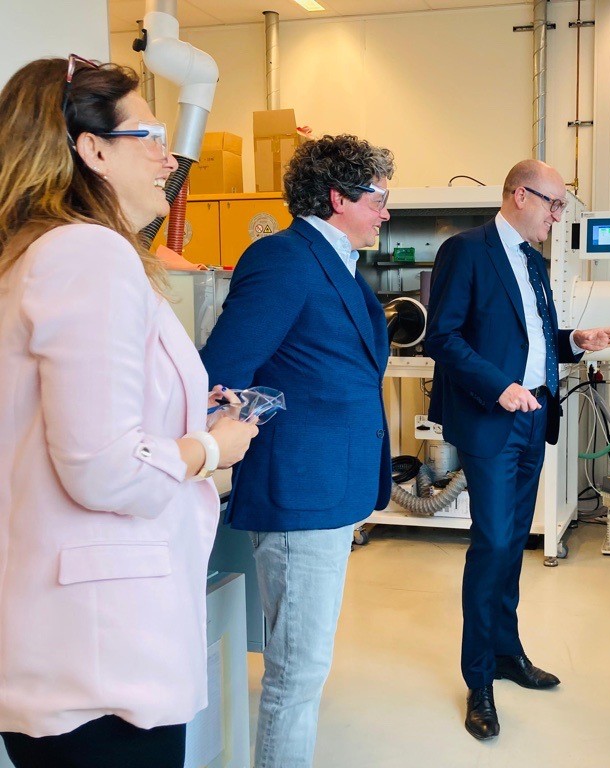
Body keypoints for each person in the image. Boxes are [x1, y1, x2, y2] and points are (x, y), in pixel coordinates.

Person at [0, 57, 257, 768]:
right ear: (92, 150)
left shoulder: (30, 254)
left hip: (62, 644)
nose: (167, 158)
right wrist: (212, 447)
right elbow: (107, 472)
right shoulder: (88, 253)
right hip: (99, 657)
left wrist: (177, 409)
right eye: (149, 135)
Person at [200, 134, 394, 768]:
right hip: (300, 490)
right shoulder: (284, 258)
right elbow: (223, 368)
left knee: (306, 666)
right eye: (377, 198)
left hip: (332, 487)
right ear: (338, 197)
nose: (385, 212)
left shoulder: (337, 262)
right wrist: (258, 427)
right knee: (297, 674)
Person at [424, 159, 610, 740]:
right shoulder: (466, 251)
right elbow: (443, 336)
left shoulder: (536, 265)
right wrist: (499, 387)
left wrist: (576, 341)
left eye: (562, 206)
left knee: (515, 538)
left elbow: (535, 338)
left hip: (534, 414)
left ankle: (508, 651)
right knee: (490, 541)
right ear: (520, 195)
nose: (558, 216)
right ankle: (479, 677)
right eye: (553, 204)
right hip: (492, 417)